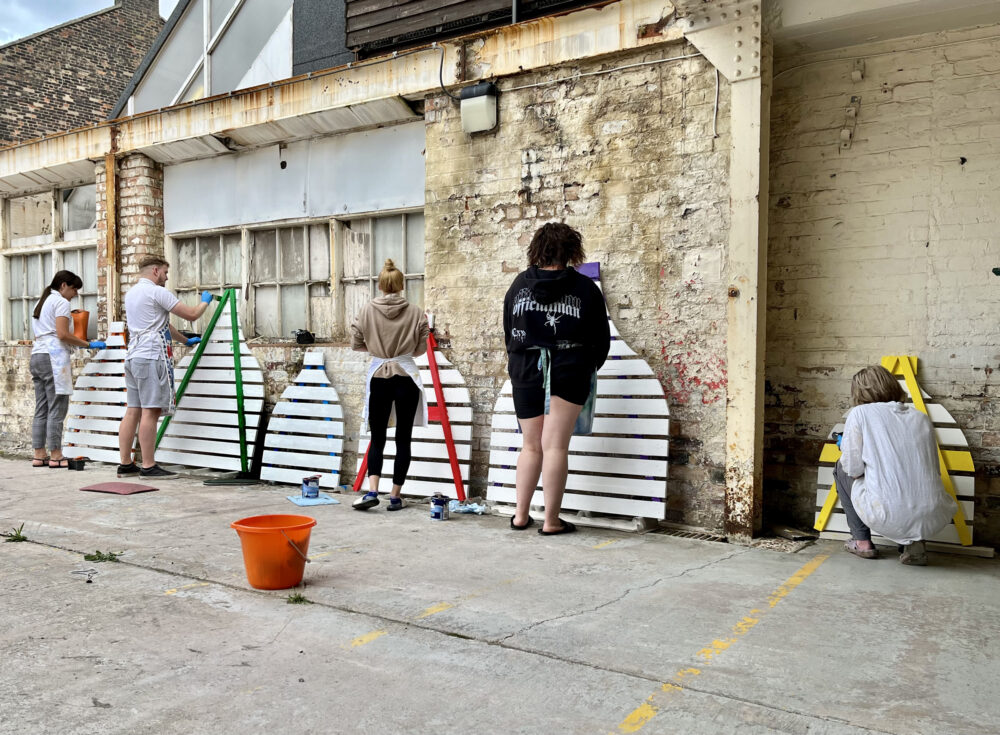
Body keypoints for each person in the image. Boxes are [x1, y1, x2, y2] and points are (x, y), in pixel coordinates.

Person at [502, 222, 610, 535]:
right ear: (572, 251)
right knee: (556, 447)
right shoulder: (585, 288)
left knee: (531, 446)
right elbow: (600, 339)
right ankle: (551, 521)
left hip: (526, 368)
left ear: (537, 249)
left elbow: (509, 331)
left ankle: (520, 516)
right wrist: (587, 366)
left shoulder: (519, 284)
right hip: (569, 367)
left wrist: (521, 361)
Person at [834, 365, 957, 565]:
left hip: (887, 514)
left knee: (841, 467)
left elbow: (853, 469)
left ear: (859, 392)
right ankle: (914, 545)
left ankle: (862, 542)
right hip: (933, 515)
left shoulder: (860, 413)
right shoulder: (920, 417)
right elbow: (930, 468)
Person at [117, 256, 212, 479]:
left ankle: (126, 464)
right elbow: (191, 314)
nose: (167, 278)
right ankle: (149, 466)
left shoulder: (131, 294)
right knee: (151, 411)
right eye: (166, 273)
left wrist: (184, 340)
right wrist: (205, 301)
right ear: (156, 271)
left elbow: (162, 324)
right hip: (151, 356)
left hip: (133, 356)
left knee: (133, 411)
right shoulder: (157, 292)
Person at [350, 258, 429, 511]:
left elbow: (355, 343)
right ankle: (395, 496)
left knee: (378, 437)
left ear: (381, 285)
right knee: (403, 438)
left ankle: (372, 491)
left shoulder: (365, 311)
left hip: (378, 377)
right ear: (401, 285)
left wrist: (377, 350)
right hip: (406, 376)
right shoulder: (416, 312)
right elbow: (419, 350)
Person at [29, 271, 107, 468]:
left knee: (42, 408)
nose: (75, 294)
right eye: (74, 289)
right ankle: (56, 455)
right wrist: (87, 344)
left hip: (37, 355)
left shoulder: (42, 301)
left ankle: (39, 454)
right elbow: (63, 334)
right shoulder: (61, 303)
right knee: (57, 407)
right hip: (53, 357)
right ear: (63, 285)